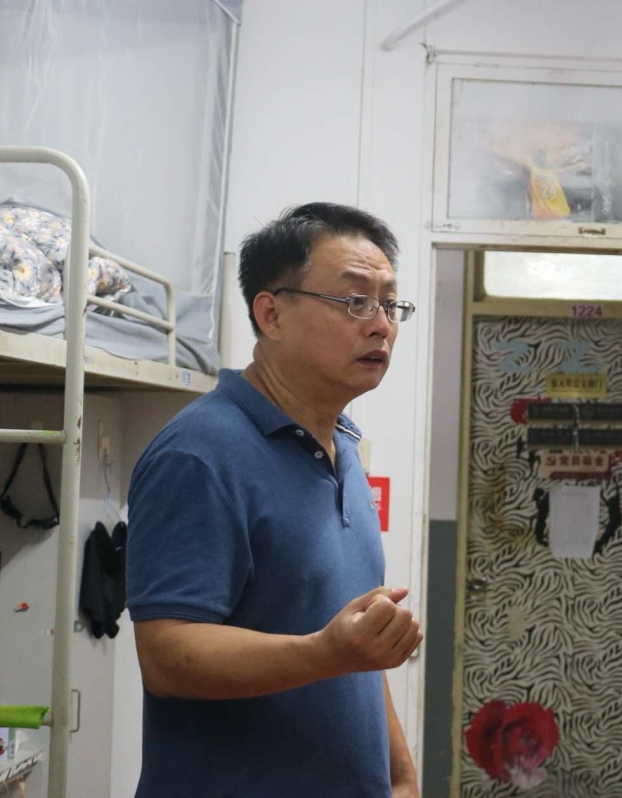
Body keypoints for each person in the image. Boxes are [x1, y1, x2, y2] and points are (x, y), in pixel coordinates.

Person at [126, 203, 422, 797]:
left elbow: (355, 649)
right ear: (272, 314)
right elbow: (167, 656)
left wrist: (400, 775)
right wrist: (324, 652)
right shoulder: (199, 454)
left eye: (390, 304)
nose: (381, 325)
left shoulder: (342, 446)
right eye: (354, 301)